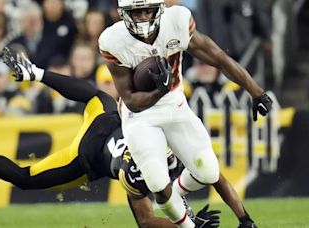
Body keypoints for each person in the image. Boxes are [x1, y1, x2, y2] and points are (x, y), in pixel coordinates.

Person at [0, 46, 257, 227]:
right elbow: (146, 221)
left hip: (106, 121)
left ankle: (33, 72)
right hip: (88, 158)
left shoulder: (151, 142)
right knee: (25, 179)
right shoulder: (146, 176)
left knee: (99, 97)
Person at [98, 0, 272, 227]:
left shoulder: (177, 21)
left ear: (159, 8)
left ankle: (177, 193)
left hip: (175, 104)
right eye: (135, 12)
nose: (142, 17)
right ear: (123, 14)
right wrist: (158, 91)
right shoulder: (113, 41)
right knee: (158, 183)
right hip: (140, 117)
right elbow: (131, 100)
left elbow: (218, 57)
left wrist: (256, 92)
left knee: (208, 172)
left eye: (147, 10)